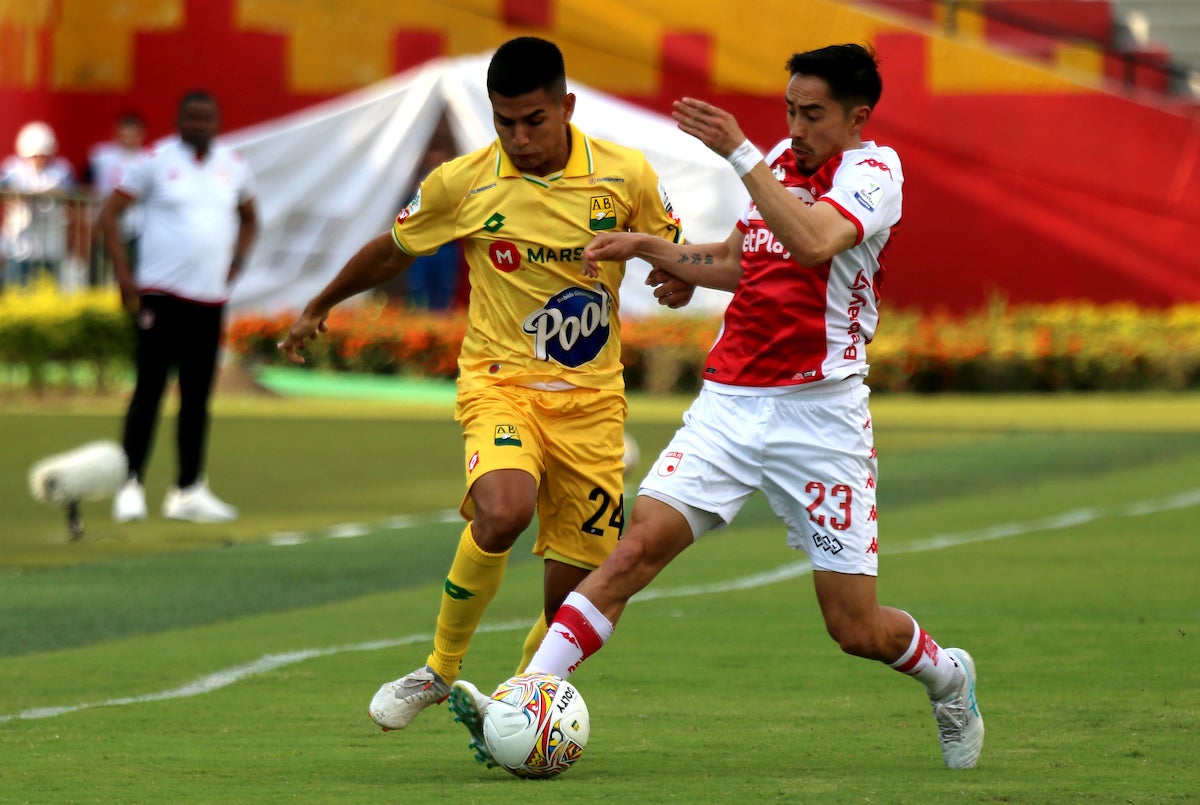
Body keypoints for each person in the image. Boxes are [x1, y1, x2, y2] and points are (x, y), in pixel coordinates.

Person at [452, 43, 985, 771]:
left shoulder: (874, 174)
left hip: (820, 417)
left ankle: (948, 677)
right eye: (790, 110)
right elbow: (740, 262)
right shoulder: (779, 163)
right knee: (633, 551)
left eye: (813, 114)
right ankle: (522, 697)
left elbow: (813, 243)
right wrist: (650, 247)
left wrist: (739, 153)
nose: (795, 127)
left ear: (858, 118)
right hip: (730, 404)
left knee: (855, 628)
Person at [277, 36, 689, 734]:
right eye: (504, 122)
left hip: (592, 405)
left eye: (534, 120)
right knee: (502, 511)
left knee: (571, 603)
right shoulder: (462, 183)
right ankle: (438, 670)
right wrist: (321, 302)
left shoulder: (626, 175)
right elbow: (393, 249)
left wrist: (676, 279)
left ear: (567, 107)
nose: (519, 137)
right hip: (501, 386)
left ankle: (516, 705)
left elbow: (670, 249)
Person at [101, 91, 259, 524]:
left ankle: (187, 490)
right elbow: (110, 213)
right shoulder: (155, 160)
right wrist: (123, 273)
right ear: (178, 119)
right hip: (161, 295)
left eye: (207, 117)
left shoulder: (233, 164)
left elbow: (250, 217)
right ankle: (129, 485)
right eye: (192, 116)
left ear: (218, 122)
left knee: (197, 398)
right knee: (148, 391)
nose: (199, 124)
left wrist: (238, 261)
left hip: (209, 298)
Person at [0, 121, 76, 289]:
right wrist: (15, 195)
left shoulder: (62, 169)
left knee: (50, 290)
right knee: (17, 289)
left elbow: (72, 192)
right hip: (19, 243)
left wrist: (44, 194)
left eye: (43, 155)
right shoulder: (12, 169)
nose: (39, 159)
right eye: (35, 156)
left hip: (52, 243)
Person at [86, 111, 147, 286]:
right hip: (105, 224)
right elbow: (86, 184)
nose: (127, 139)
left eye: (132, 134)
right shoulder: (101, 157)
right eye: (123, 134)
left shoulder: (147, 159)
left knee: (132, 274)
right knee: (99, 276)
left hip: (136, 226)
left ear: (141, 135)